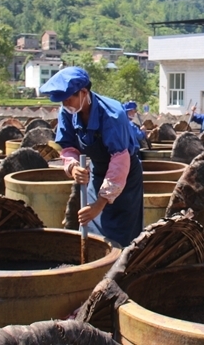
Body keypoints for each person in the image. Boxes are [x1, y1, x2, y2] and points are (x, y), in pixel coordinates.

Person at [41, 67, 143, 247]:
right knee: (90, 226)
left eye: (68, 99)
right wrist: (73, 166)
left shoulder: (112, 114)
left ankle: (120, 271)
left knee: (121, 233)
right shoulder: (68, 111)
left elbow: (120, 159)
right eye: (62, 101)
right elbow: (68, 146)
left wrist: (101, 203)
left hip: (124, 176)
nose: (65, 104)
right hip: (97, 171)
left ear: (84, 92)